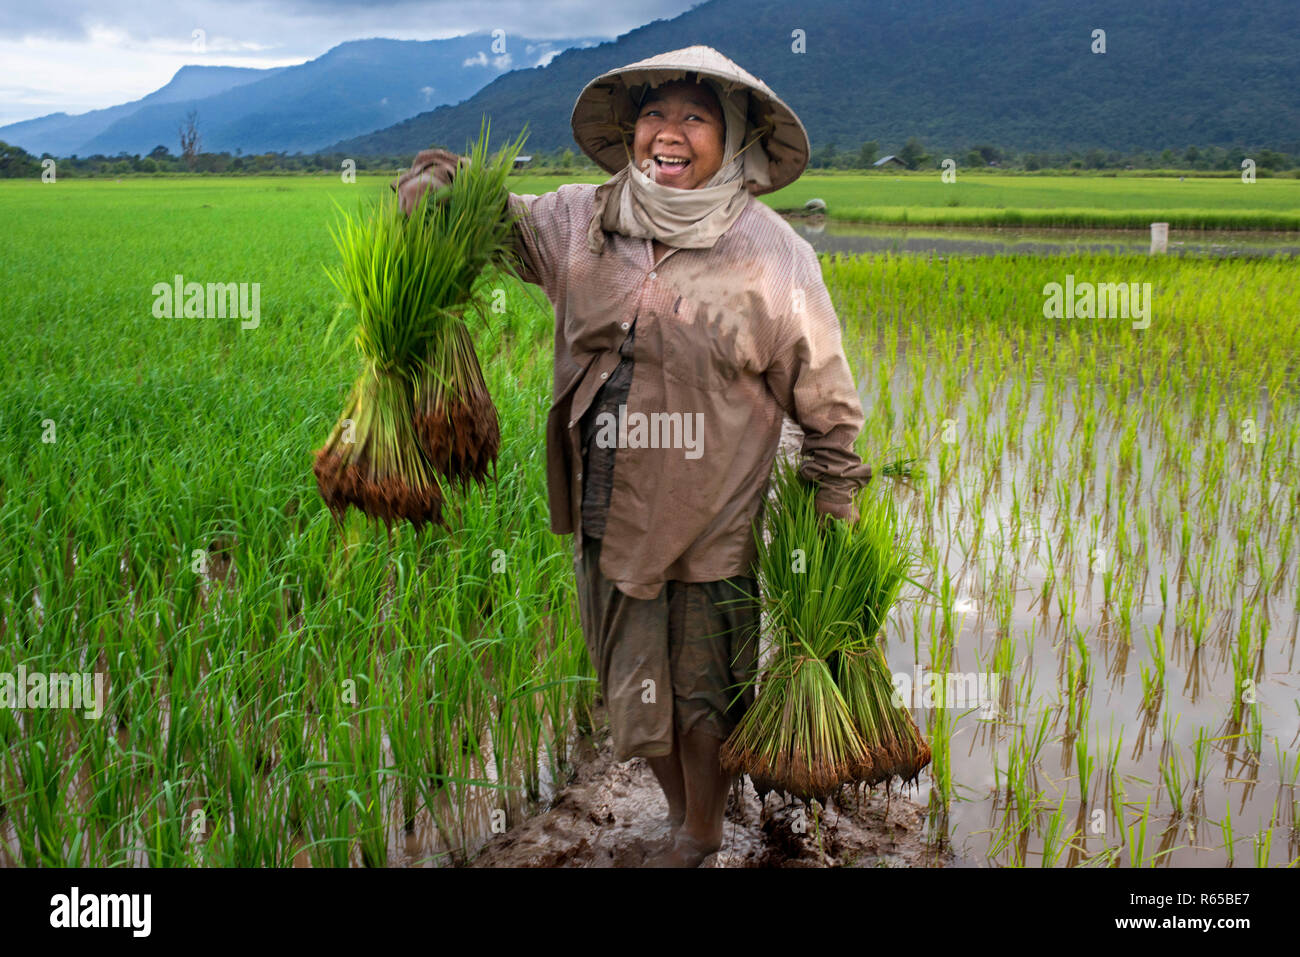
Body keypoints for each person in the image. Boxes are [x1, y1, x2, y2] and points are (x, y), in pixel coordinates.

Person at [394, 45, 872, 867]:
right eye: (656, 113)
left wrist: (834, 506)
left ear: (734, 138)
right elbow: (493, 221)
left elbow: (826, 399)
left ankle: (699, 828)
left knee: (703, 689)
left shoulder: (775, 255)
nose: (670, 133)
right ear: (631, 130)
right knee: (629, 684)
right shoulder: (582, 218)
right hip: (601, 498)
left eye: (695, 117)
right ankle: (690, 812)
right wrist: (437, 193)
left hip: (712, 507)